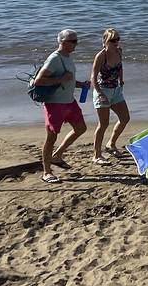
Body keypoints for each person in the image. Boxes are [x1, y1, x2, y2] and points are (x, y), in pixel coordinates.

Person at [32, 29, 89, 183]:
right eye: (73, 41)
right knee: (51, 137)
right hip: (55, 104)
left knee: (81, 128)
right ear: (62, 42)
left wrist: (80, 84)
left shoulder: (68, 57)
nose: (76, 44)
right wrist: (62, 78)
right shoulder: (54, 59)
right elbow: (38, 81)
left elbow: (68, 80)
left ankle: (57, 156)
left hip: (69, 102)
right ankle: (46, 172)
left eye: (77, 40)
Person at [90, 28, 129, 164]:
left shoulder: (119, 51)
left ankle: (111, 144)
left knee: (125, 118)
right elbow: (93, 77)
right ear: (105, 41)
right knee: (103, 124)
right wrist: (100, 94)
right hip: (103, 91)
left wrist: (121, 79)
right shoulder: (101, 56)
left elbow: (120, 66)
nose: (116, 42)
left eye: (118, 39)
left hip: (116, 90)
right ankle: (97, 155)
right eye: (113, 40)